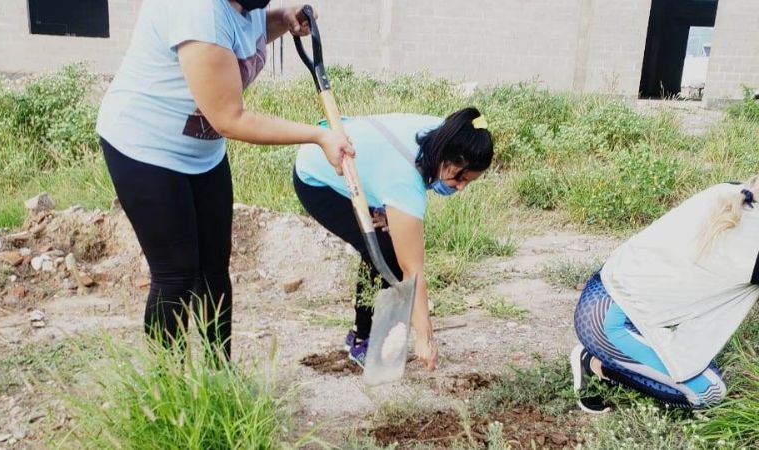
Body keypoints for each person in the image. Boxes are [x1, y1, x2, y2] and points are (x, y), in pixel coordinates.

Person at [95, 0, 354, 360]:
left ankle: (219, 376)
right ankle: (168, 394)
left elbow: (242, 27)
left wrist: (279, 19)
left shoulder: (245, 5)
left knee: (214, 268)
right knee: (176, 273)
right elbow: (229, 118)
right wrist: (319, 135)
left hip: (201, 153)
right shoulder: (196, 10)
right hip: (145, 145)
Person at [293, 108, 494, 370]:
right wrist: (425, 337)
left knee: (389, 238)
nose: (462, 187)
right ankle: (360, 339)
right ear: (447, 157)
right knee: (382, 249)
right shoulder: (405, 180)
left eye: (470, 181)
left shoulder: (451, 134)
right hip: (321, 176)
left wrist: (392, 211)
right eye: (461, 178)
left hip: (363, 162)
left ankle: (367, 333)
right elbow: (412, 270)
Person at [571, 177, 759, 412]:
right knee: (710, 391)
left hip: (604, 292)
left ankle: (619, 355)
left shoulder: (731, 190)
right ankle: (597, 365)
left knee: (697, 364)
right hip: (608, 325)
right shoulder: (753, 241)